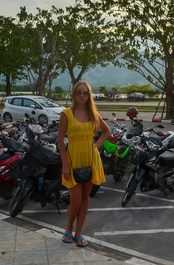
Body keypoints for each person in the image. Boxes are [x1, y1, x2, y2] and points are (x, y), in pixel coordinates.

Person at [58, 81, 110, 247]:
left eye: (85, 93)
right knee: (76, 202)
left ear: (89, 95)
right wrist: (65, 165)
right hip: (73, 160)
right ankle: (68, 229)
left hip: (90, 159)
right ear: (74, 94)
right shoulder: (66, 113)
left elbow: (107, 130)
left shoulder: (93, 114)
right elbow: (60, 140)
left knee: (85, 199)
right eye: (78, 92)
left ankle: (79, 232)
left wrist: (99, 142)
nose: (82, 95)